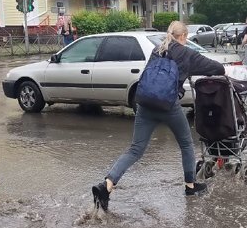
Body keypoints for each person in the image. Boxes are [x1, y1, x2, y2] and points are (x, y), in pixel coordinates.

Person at [92, 20, 225, 211]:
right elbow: (217, 68)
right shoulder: (188, 54)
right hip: (169, 106)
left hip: (145, 104)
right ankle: (190, 186)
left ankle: (106, 186)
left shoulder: (157, 50)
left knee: (135, 150)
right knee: (186, 144)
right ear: (184, 36)